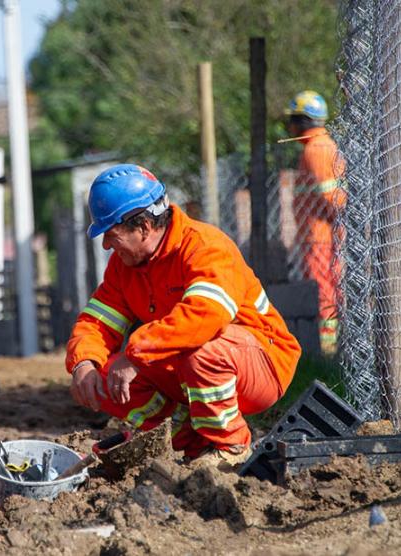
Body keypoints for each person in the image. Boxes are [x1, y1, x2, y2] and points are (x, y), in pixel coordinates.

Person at [66, 164, 302, 468]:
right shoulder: (124, 267)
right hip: (188, 366)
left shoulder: (205, 246)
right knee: (102, 378)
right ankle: (189, 445)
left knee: (201, 351)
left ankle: (231, 447)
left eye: (111, 234)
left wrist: (136, 354)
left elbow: (205, 317)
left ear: (144, 227)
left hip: (262, 365)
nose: (106, 245)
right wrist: (84, 362)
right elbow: (96, 322)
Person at [285, 90, 346, 352]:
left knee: (324, 292)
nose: (289, 127)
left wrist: (341, 227)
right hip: (318, 235)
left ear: (304, 121)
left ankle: (327, 349)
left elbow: (333, 197)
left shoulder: (316, 149)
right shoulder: (317, 147)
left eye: (293, 120)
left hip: (321, 236)